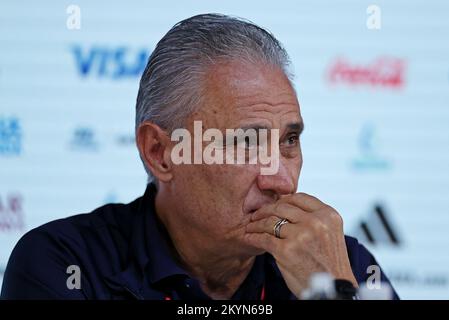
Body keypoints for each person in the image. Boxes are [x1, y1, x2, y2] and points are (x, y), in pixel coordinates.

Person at [1, 13, 398, 300]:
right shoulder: (68, 266)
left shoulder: (339, 265)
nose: (282, 181)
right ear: (160, 153)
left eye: (289, 141)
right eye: (247, 143)